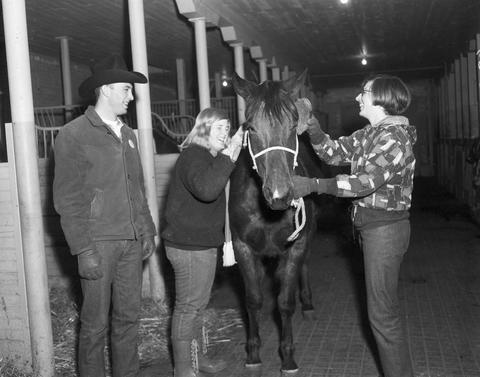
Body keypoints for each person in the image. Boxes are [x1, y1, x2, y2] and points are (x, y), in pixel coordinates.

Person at [293, 74, 416, 377]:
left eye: (364, 93)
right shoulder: (371, 133)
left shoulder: (393, 138)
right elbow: (333, 152)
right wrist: (313, 128)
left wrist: (313, 185)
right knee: (382, 314)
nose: (358, 98)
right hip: (370, 228)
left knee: (382, 317)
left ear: (381, 99)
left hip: (385, 231)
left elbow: (363, 183)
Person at [53, 54, 156, 377]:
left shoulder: (128, 135)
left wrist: (147, 230)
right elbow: (67, 199)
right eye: (125, 89)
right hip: (98, 244)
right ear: (105, 89)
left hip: (130, 241)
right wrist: (83, 249)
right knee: (95, 325)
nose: (131, 96)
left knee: (129, 319)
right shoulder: (73, 134)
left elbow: (136, 188)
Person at [161, 108, 243, 377]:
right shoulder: (193, 156)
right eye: (219, 127)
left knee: (197, 306)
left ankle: (197, 359)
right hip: (189, 246)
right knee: (188, 307)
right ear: (203, 129)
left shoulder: (207, 157)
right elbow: (207, 190)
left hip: (199, 243)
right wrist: (231, 154)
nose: (226, 133)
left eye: (228, 128)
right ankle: (183, 368)